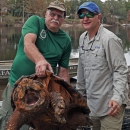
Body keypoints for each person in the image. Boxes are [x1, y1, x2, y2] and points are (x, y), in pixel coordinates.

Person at [0, 1, 71, 130]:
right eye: (52, 13)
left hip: (44, 91)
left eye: (60, 16)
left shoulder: (66, 40)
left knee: (44, 124)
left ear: (63, 19)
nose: (55, 18)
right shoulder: (35, 22)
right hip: (16, 86)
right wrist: (39, 60)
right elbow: (28, 44)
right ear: (46, 14)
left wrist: (68, 96)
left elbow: (63, 71)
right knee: (8, 123)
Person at [76, 2, 129, 130]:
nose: (85, 18)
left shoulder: (109, 39)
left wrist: (117, 98)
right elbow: (81, 68)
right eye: (81, 15)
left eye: (89, 14)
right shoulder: (82, 38)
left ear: (98, 17)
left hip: (111, 104)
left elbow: (120, 70)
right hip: (93, 104)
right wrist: (77, 94)